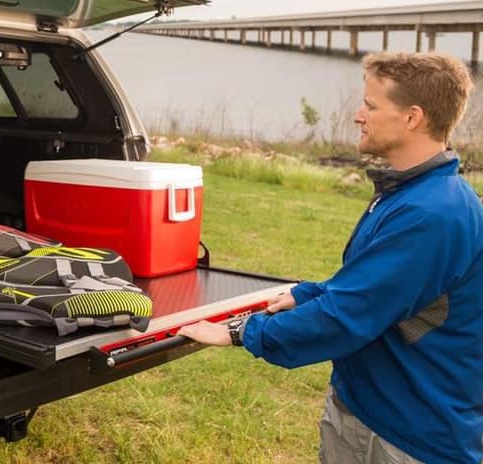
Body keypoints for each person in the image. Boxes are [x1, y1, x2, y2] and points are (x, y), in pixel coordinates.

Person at [178, 52, 483, 464]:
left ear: (412, 118)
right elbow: (386, 287)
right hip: (374, 407)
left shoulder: (431, 214)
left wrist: (242, 332)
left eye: (371, 105)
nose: (359, 115)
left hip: (404, 434)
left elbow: (349, 315)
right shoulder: (419, 194)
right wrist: (309, 294)